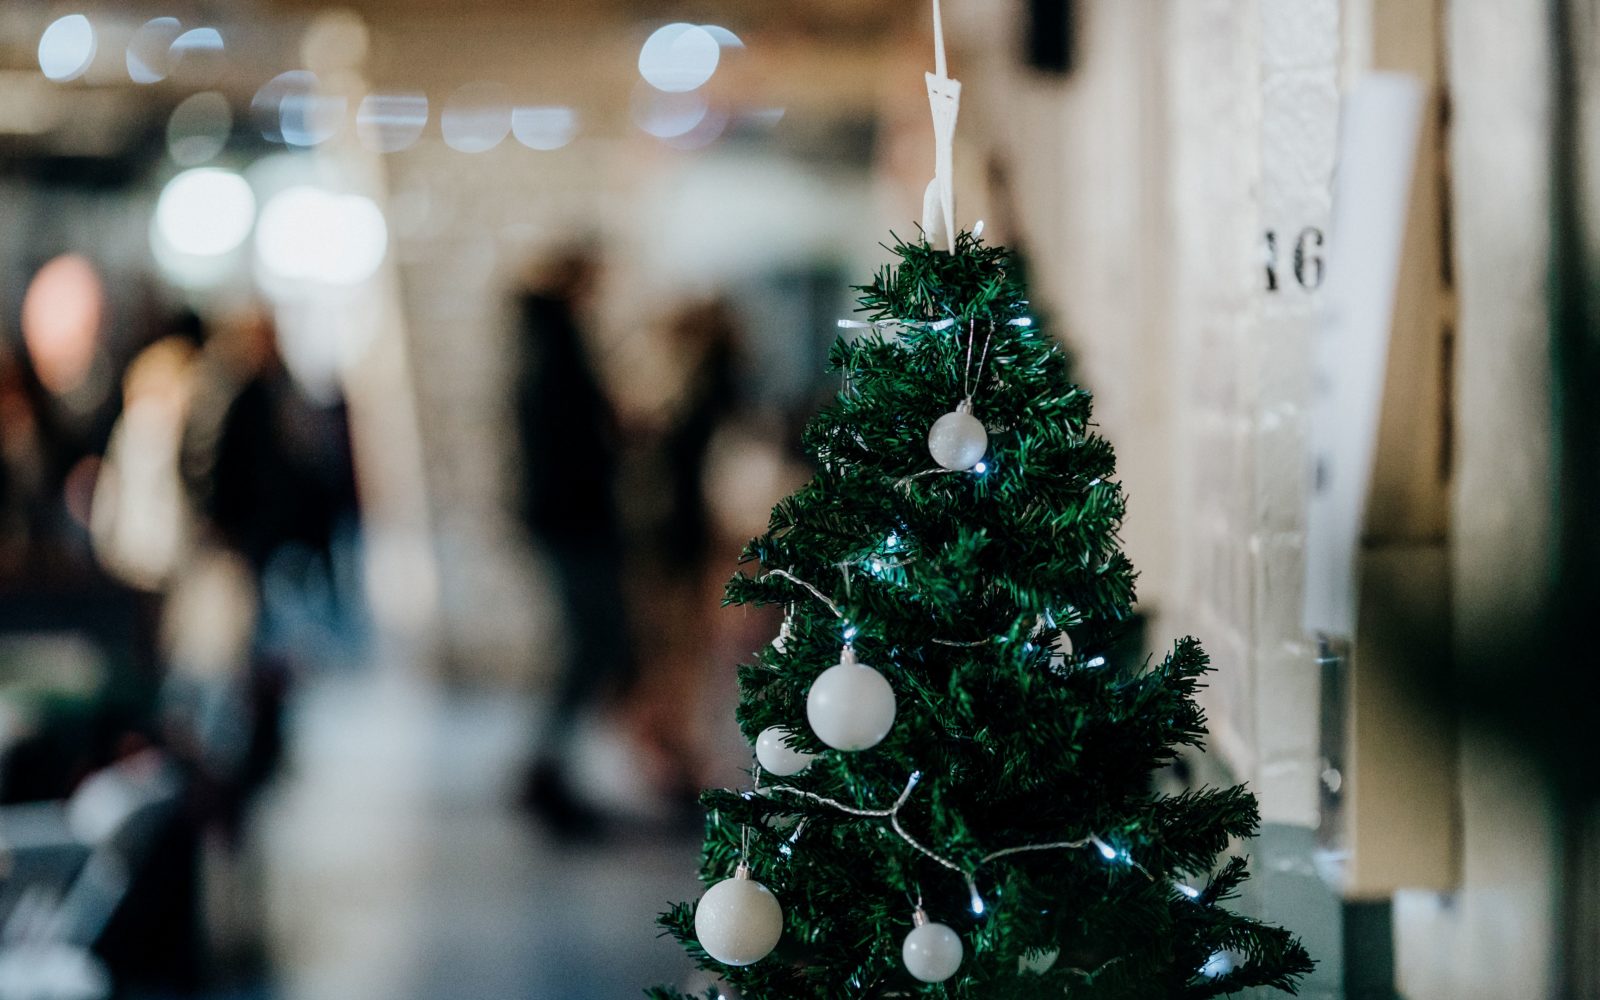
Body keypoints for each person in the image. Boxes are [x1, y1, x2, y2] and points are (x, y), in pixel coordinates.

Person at [512, 251, 634, 836]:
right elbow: (575, 446)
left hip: (566, 520)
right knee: (593, 643)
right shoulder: (558, 351)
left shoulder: (542, 344)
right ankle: (545, 769)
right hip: (576, 522)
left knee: (588, 645)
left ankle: (548, 766)